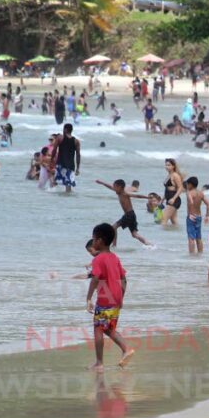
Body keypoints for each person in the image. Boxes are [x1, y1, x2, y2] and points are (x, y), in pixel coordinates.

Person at [86, 223, 135, 370]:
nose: (93, 242)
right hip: (116, 299)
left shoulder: (98, 259)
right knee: (109, 329)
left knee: (98, 329)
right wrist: (121, 298)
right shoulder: (114, 258)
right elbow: (124, 279)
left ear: (100, 241)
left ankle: (100, 362)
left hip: (105, 300)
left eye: (94, 239)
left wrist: (88, 298)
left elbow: (95, 278)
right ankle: (126, 350)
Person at [96, 179, 152, 247]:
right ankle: (147, 243)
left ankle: (114, 246)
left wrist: (147, 197)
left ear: (120, 187)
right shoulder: (119, 192)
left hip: (129, 215)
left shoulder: (125, 193)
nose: (113, 188)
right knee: (134, 234)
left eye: (115, 187)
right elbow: (109, 186)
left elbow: (137, 196)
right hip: (131, 214)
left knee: (113, 227)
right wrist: (102, 182)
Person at [184, 177, 209, 255]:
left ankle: (191, 255)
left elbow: (191, 202)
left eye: (187, 184)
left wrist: (190, 214)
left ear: (190, 185)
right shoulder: (200, 193)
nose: (187, 186)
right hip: (199, 217)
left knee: (191, 238)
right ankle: (200, 254)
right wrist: (207, 216)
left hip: (191, 217)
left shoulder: (190, 193)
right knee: (198, 237)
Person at [54, 123, 81, 194]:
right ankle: (68, 199)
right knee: (68, 184)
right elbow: (78, 155)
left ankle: (53, 197)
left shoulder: (60, 138)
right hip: (70, 166)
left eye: (63, 129)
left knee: (55, 180)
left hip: (61, 164)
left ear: (65, 129)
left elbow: (54, 150)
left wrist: (51, 160)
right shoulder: (76, 141)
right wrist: (78, 168)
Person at [161, 158, 184, 226]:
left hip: (174, 200)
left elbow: (180, 188)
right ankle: (178, 235)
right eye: (166, 165)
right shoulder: (169, 175)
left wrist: (173, 198)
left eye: (169, 165)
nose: (167, 167)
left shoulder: (175, 175)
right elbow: (167, 189)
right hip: (169, 199)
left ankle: (161, 235)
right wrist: (162, 200)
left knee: (163, 219)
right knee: (174, 221)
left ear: (173, 166)